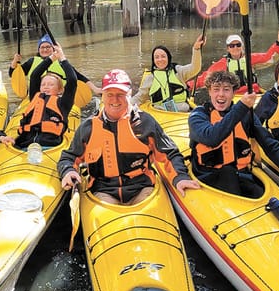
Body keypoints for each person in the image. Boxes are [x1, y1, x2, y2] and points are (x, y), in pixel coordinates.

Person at [58, 69, 200, 205]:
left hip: (142, 188)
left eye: (121, 94)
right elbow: (68, 157)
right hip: (103, 190)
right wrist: (68, 171)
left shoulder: (146, 123)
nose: (115, 99)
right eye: (109, 94)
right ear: (103, 95)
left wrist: (180, 177)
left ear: (130, 94)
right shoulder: (88, 127)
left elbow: (170, 153)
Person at [188, 70, 279, 198]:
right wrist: (242, 106)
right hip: (209, 177)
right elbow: (212, 138)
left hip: (241, 175)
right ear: (209, 92)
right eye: (216, 89)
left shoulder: (245, 114)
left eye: (226, 89)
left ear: (233, 93)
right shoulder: (198, 115)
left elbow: (269, 143)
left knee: (273, 203)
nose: (221, 94)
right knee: (228, 174)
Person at [15, 43, 77, 149]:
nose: (46, 87)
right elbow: (35, 75)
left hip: (50, 146)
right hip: (26, 144)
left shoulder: (63, 103)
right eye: (43, 84)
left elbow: (72, 80)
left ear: (60, 89)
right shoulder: (35, 97)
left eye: (51, 84)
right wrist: (51, 58)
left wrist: (62, 57)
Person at [189, 30, 279, 92]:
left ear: (242, 46)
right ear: (228, 49)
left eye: (238, 45)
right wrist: (188, 86)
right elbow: (205, 78)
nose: (235, 48)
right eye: (232, 46)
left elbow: (269, 58)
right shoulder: (222, 64)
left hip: (252, 92)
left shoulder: (250, 59)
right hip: (233, 95)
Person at [131, 34, 205, 112]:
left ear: (168, 58)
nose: (160, 60)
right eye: (157, 57)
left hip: (182, 110)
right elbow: (139, 97)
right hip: (160, 111)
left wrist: (196, 49)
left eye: (163, 56)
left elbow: (195, 68)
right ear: (154, 61)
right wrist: (127, 105)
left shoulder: (178, 71)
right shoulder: (150, 78)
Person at [9, 34, 102, 95]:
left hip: (59, 95)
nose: (45, 49)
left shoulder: (62, 63)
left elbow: (79, 77)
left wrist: (95, 89)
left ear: (53, 49)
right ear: (38, 49)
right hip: (36, 95)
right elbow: (14, 75)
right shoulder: (32, 62)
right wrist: (14, 62)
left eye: (48, 47)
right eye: (42, 47)